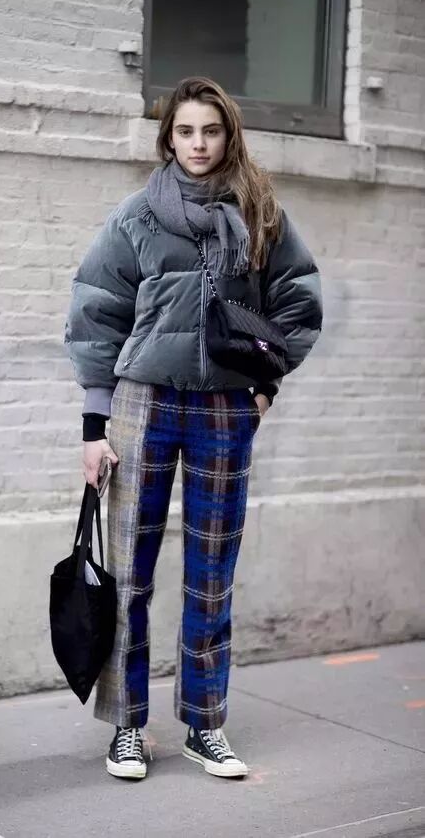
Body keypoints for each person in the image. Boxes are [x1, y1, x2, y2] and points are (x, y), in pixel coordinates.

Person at [65, 76, 322, 781]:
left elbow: (298, 300)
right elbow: (96, 312)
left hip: (224, 410)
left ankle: (205, 725)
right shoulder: (137, 217)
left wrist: (263, 387)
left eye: (210, 130)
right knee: (130, 576)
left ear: (228, 135)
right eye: (185, 131)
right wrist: (93, 425)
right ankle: (128, 726)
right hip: (142, 405)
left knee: (212, 574)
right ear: (168, 139)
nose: (198, 144)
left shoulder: (260, 212)